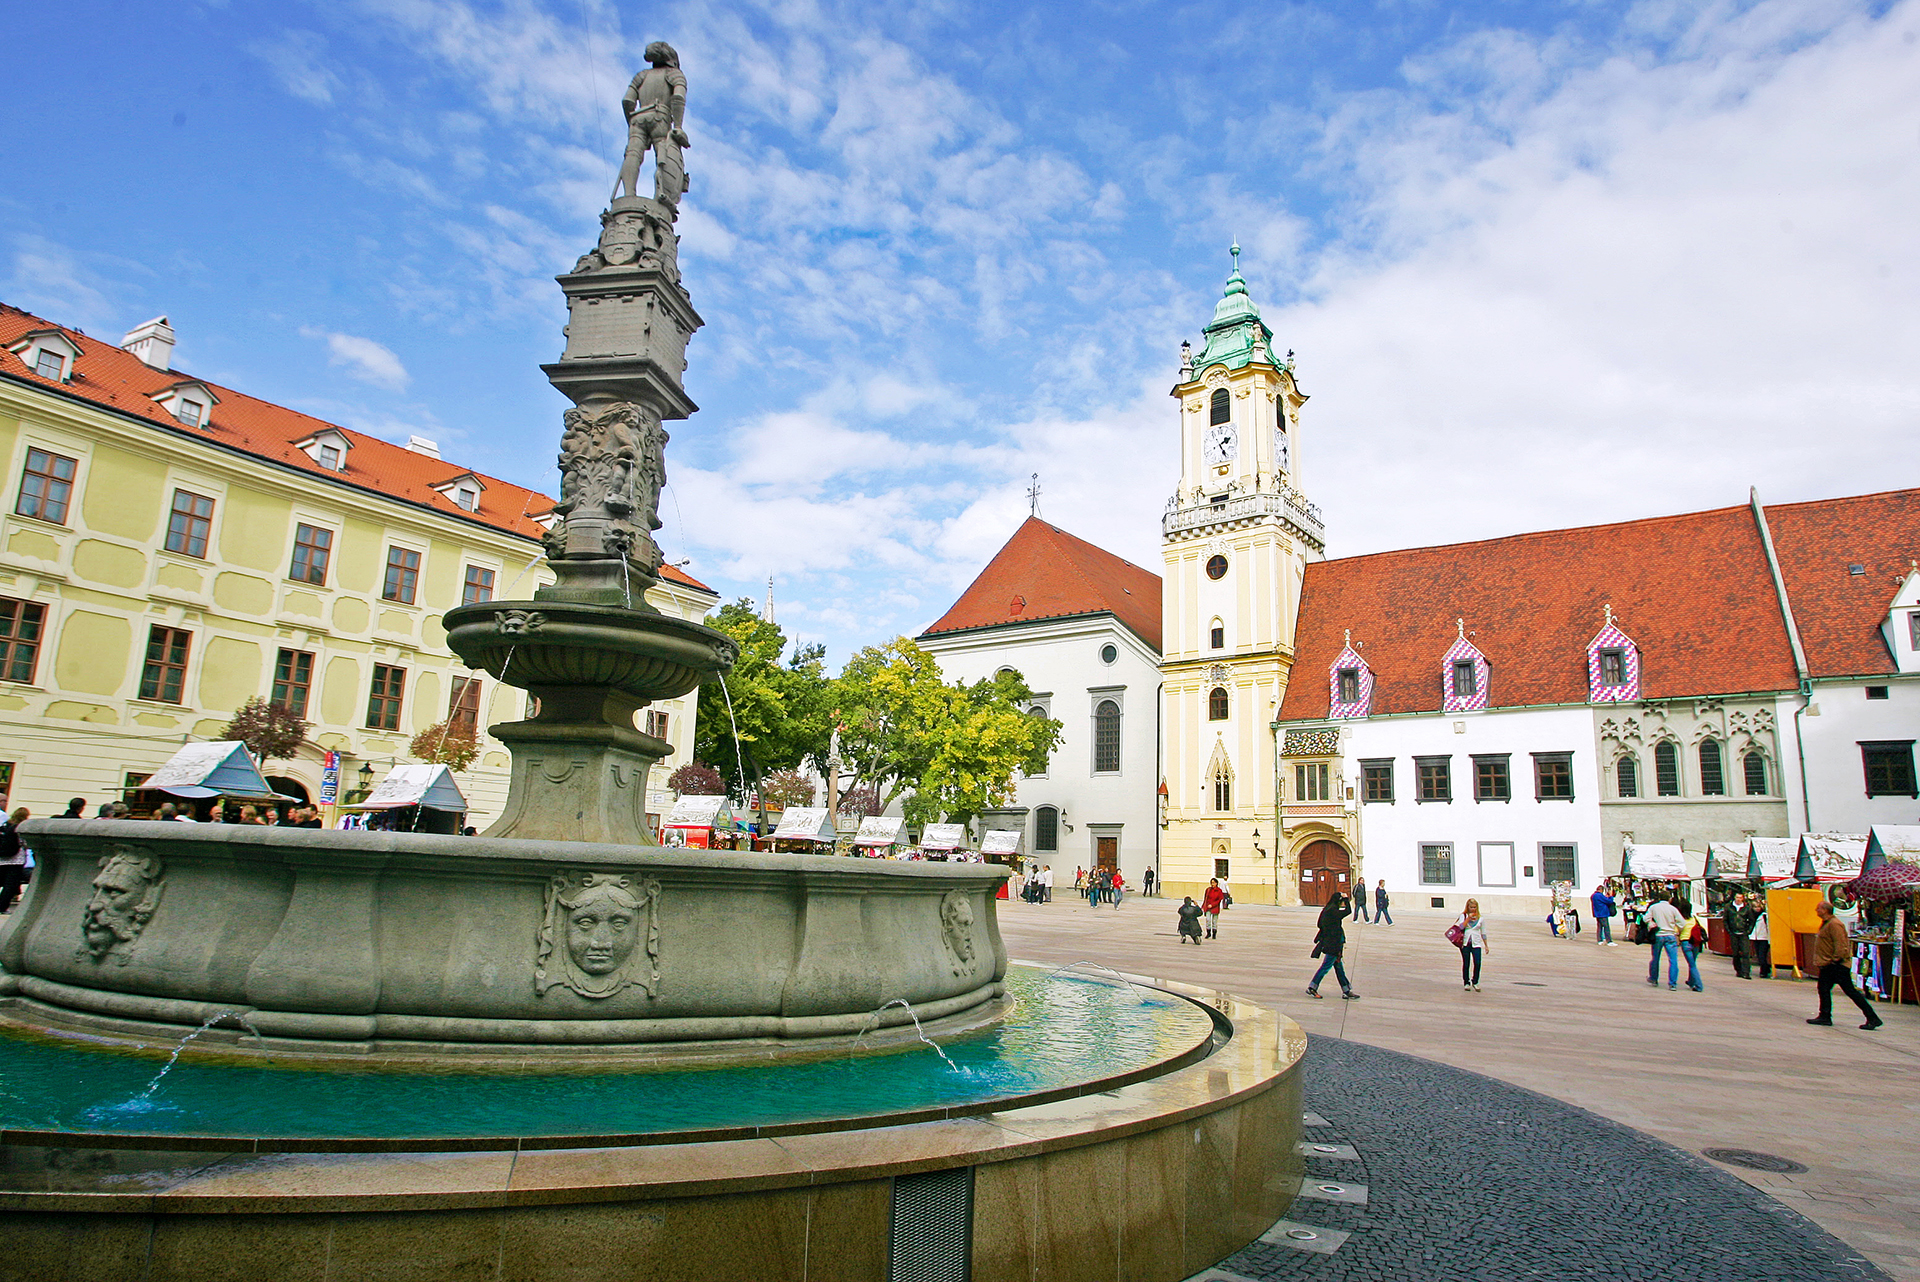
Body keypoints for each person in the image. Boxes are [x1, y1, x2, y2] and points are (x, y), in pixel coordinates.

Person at [1807, 900, 1882, 1030]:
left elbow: (1841, 944)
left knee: (1850, 991)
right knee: (1823, 989)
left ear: (1825, 910)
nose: (1816, 911)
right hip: (1828, 964)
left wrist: (1836, 959)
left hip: (1836, 964)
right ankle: (1824, 1016)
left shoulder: (1835, 924)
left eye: (1818, 908)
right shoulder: (1827, 923)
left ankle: (1872, 1017)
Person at [1306, 892, 1360, 999]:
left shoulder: (1326, 910)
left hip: (1329, 942)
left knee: (1339, 968)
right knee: (1325, 967)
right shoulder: (1333, 912)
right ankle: (1312, 987)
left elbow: (1319, 924)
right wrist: (1346, 899)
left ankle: (1346, 990)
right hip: (1333, 945)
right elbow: (1348, 911)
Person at [1643, 891, 1684, 989]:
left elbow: (1645, 918)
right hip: (1670, 935)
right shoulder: (1673, 909)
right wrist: (1677, 931)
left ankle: (1654, 978)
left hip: (1658, 935)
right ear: (1669, 899)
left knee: (1655, 958)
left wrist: (1651, 923)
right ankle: (1672, 983)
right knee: (1673, 960)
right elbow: (1682, 923)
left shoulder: (1654, 907)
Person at [1454, 898, 1490, 990]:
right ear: (1468, 907)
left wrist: (1486, 945)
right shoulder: (1463, 916)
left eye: (1474, 907)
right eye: (1471, 907)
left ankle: (1475, 981)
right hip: (1465, 943)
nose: (1473, 909)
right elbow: (1461, 926)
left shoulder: (1481, 918)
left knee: (1477, 963)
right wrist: (1468, 918)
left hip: (1476, 943)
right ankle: (1466, 982)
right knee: (1466, 963)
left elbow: (1483, 932)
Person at [0, 807, 29, 913]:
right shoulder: (19, 828)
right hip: (16, 859)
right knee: (10, 884)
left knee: (2, 882)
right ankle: (2, 907)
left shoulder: (6, 825)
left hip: (2, 858)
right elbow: (24, 843)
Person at [1722, 891, 1756, 979]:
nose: (1738, 900)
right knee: (1735, 953)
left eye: (1740, 898)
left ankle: (1746, 972)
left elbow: (1752, 920)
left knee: (1745, 953)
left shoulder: (1747, 908)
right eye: (1737, 898)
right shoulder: (1728, 907)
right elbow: (1725, 920)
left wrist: (1749, 931)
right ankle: (1738, 970)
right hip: (1733, 933)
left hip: (1743, 933)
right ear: (1734, 898)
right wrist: (1729, 930)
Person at [1675, 896, 1705, 992]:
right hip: (1695, 942)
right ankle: (1691, 981)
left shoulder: (1681, 920)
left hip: (1686, 942)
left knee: (1692, 965)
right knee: (1693, 963)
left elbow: (1677, 931)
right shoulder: (1694, 919)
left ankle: (1699, 985)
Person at [1752, 901, 1773, 978]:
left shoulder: (1764, 916)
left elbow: (1768, 927)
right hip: (1755, 937)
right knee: (1758, 955)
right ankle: (1766, 968)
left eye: (1758, 907)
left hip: (1764, 938)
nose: (1757, 909)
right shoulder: (1752, 916)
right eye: (1755, 907)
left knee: (1762, 956)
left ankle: (1763, 971)